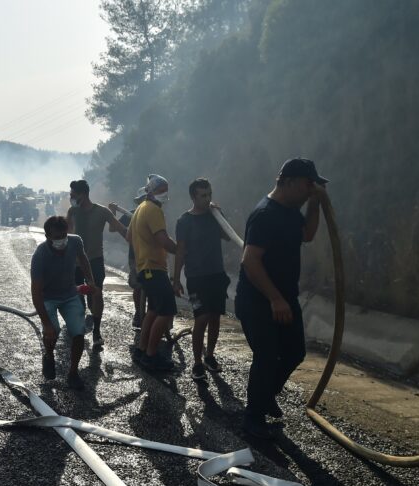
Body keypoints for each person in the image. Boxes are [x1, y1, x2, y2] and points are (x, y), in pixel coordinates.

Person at [236, 158, 328, 438]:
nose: (309, 189)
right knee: (266, 356)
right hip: (258, 300)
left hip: (285, 297)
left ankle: (265, 395)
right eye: (306, 184)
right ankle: (253, 417)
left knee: (294, 352)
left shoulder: (291, 210)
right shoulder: (266, 214)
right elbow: (250, 261)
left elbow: (307, 234)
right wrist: (275, 299)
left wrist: (315, 202)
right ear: (287, 182)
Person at [173, 178, 232, 382]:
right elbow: (180, 251)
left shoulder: (213, 216)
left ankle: (210, 356)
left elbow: (228, 236)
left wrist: (220, 214)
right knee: (201, 318)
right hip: (196, 277)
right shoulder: (184, 221)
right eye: (203, 195)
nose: (207, 199)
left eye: (209, 195)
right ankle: (197, 363)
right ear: (193, 197)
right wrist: (176, 279)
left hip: (217, 274)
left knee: (215, 316)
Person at [31, 216, 99, 390]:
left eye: (64, 236)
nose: (62, 241)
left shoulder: (75, 242)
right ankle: (48, 355)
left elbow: (83, 260)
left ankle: (73, 373)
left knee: (78, 332)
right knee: (52, 331)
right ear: (47, 237)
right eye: (57, 238)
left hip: (70, 294)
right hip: (48, 297)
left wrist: (90, 280)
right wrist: (46, 324)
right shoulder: (40, 255)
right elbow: (36, 293)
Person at [65, 179, 128, 348]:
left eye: (73, 195)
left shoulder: (102, 212)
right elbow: (66, 234)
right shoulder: (72, 211)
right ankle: (78, 327)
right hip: (76, 262)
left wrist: (136, 241)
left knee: (97, 294)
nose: (71, 198)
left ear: (83, 194)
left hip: (95, 260)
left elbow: (119, 229)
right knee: (77, 296)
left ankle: (97, 331)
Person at [127, 174, 177, 372]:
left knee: (153, 310)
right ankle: (151, 355)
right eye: (161, 190)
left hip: (143, 268)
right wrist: (181, 249)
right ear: (151, 191)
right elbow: (163, 240)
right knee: (167, 311)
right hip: (154, 268)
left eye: (166, 190)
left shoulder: (140, 208)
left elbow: (129, 236)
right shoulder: (154, 210)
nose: (164, 194)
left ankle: (141, 350)